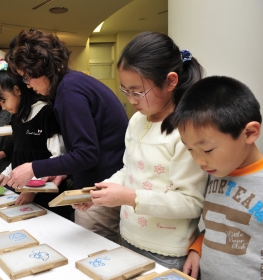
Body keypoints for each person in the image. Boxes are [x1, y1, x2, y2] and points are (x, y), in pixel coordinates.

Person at [82, 32, 208, 270]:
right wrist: (100, 191)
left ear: (171, 82)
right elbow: (129, 170)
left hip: (168, 251)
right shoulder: (137, 121)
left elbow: (191, 202)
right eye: (125, 90)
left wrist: (130, 197)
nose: (131, 99)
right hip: (129, 238)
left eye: (137, 91)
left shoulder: (185, 132)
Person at [6, 29, 128, 242]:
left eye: (27, 77)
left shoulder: (69, 93)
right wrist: (61, 171)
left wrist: (34, 167)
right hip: (105, 182)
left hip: (101, 186)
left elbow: (87, 154)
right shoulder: (73, 83)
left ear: (40, 68)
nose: (28, 85)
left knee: (94, 254)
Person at [164, 76, 263, 279]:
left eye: (208, 150)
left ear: (250, 133)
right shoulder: (216, 171)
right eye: (190, 149)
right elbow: (218, 226)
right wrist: (198, 248)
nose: (199, 161)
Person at [0, 60, 71, 220]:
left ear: (17, 90)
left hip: (47, 197)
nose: (3, 107)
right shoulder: (17, 118)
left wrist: (32, 190)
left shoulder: (46, 113)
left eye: (4, 100)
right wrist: (5, 174)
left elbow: (58, 159)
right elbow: (20, 157)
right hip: (24, 196)